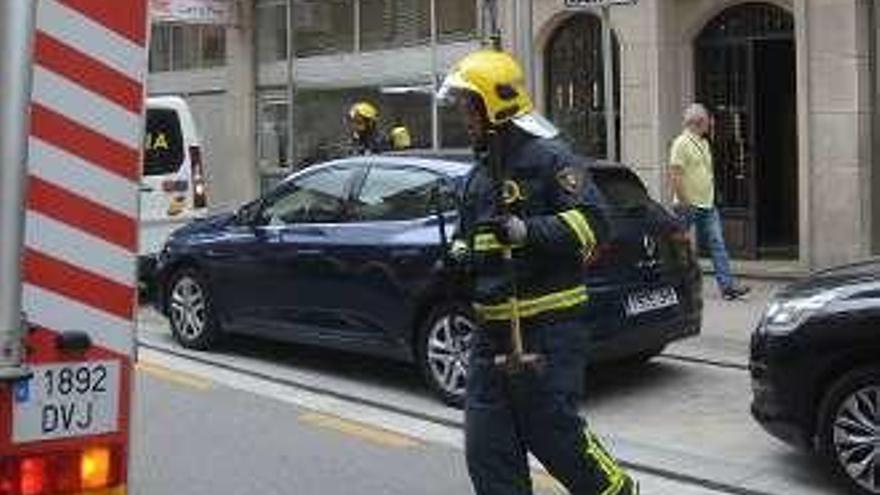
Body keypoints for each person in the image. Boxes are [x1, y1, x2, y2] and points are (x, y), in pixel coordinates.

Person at [440, 48, 637, 495]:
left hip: (548, 330)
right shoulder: (478, 176)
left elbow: (595, 223)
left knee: (556, 438)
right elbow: (467, 237)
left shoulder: (551, 159)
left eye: (468, 105)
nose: (462, 115)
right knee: (487, 449)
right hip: (491, 333)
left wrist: (527, 230)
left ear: (494, 105)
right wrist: (459, 256)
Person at [669, 103, 750, 300]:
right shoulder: (681, 143)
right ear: (699, 122)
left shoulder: (704, 143)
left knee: (717, 244)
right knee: (677, 247)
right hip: (688, 205)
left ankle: (727, 287)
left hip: (707, 204)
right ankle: (672, 286)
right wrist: (685, 202)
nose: (711, 123)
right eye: (708, 120)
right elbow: (675, 175)